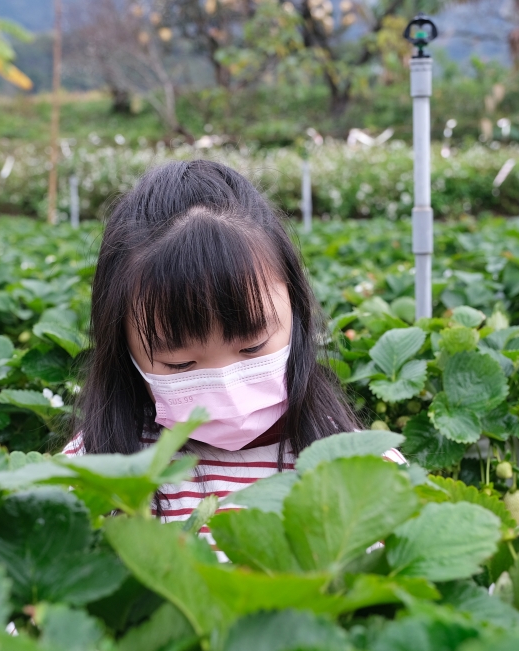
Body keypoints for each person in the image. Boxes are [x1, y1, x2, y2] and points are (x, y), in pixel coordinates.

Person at [62, 160, 404, 548]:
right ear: (122, 347)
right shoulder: (93, 472)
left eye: (253, 346)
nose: (227, 384)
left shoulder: (365, 469)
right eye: (181, 363)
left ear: (296, 310)